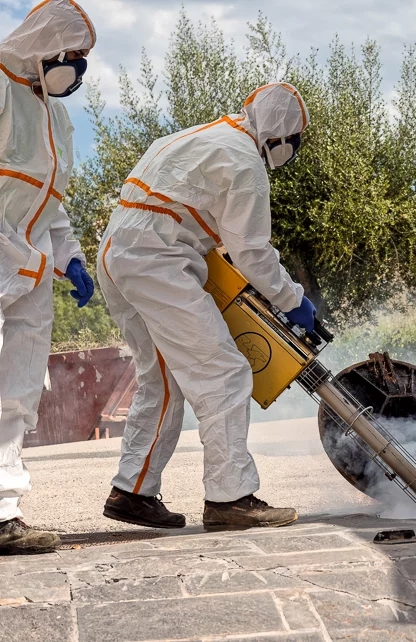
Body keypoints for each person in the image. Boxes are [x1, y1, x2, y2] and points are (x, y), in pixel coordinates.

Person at [98, 83, 316, 531]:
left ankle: (132, 491)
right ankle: (230, 498)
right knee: (224, 372)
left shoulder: (196, 136)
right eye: (294, 141)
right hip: (157, 260)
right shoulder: (245, 162)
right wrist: (293, 301)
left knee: (161, 380)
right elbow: (252, 251)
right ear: (280, 134)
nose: (291, 150)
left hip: (118, 252)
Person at [0, 0, 97, 555]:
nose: (79, 69)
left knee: (15, 394)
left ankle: (3, 512)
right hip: (7, 256)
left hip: (29, 269)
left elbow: (50, 205)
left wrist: (71, 257)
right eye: (75, 57)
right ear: (46, 46)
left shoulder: (56, 116)